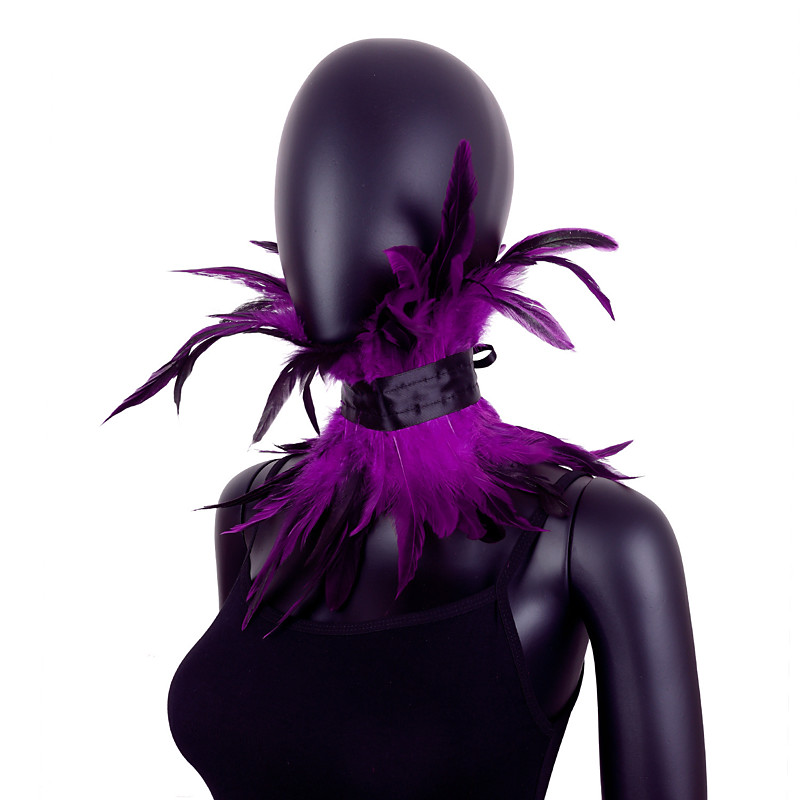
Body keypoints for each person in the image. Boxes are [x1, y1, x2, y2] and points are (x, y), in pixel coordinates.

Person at [109, 39, 706, 800]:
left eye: (361, 191)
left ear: (466, 224)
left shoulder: (591, 534)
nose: (320, 230)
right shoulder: (254, 507)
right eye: (303, 194)